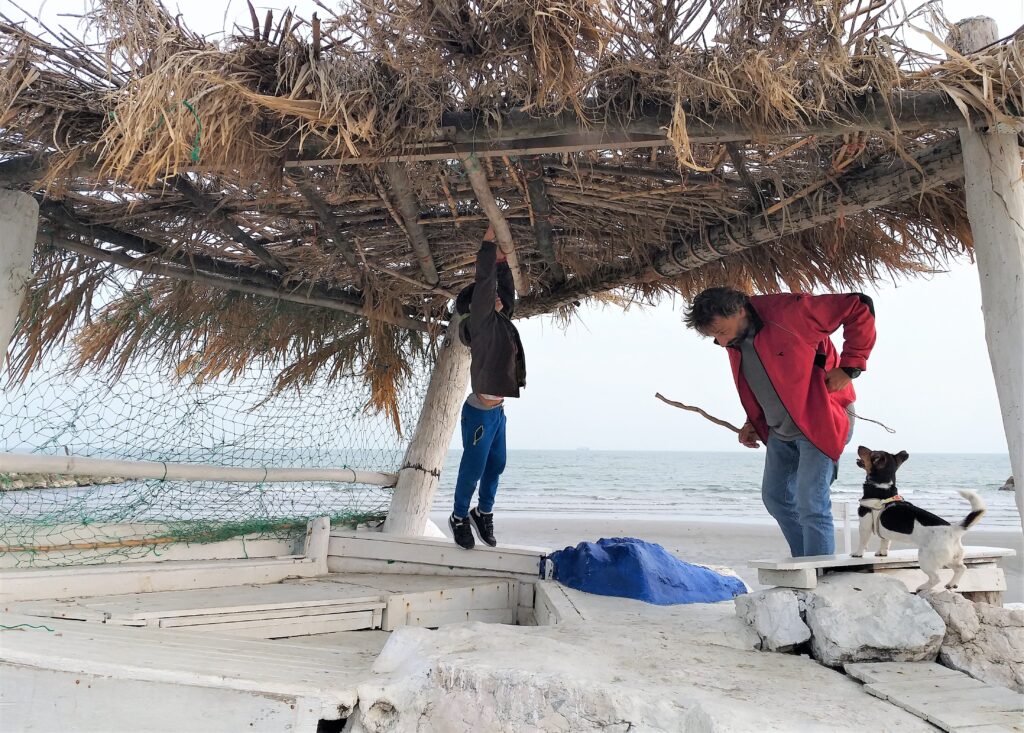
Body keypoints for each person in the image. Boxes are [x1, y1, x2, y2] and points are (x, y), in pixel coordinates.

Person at [684, 287, 876, 557]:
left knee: (811, 502)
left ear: (739, 310)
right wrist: (754, 421)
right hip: (780, 429)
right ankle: (806, 565)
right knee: (777, 497)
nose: (722, 342)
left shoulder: (791, 312)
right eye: (714, 336)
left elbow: (859, 305)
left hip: (821, 419)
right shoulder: (734, 339)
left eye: (722, 332)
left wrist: (850, 367)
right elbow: (765, 379)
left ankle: (820, 573)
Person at [448, 227, 526, 550]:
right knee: (473, 467)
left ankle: (483, 512)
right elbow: (486, 286)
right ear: (475, 308)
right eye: (488, 298)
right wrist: (488, 249)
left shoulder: (498, 320)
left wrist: (504, 265)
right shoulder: (480, 325)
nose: (495, 299)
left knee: (497, 465)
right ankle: (457, 517)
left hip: (497, 414)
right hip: (479, 413)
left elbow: (505, 295)